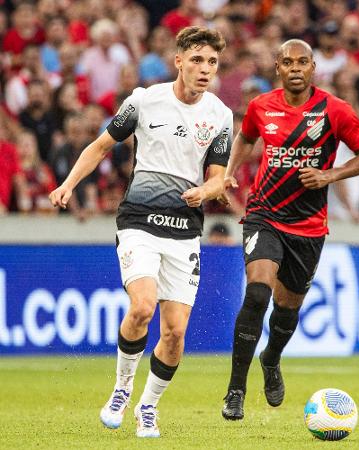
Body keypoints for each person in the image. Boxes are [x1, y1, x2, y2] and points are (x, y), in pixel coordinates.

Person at [49, 26, 231, 438]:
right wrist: (68, 185)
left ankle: (147, 407)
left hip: (185, 231)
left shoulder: (220, 116)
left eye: (213, 62)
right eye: (198, 60)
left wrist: (206, 189)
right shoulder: (145, 101)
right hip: (140, 223)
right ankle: (121, 389)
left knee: (175, 331)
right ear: (179, 61)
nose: (206, 69)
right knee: (143, 307)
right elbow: (99, 146)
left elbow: (220, 178)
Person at [219, 39, 359, 420]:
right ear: (277, 67)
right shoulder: (261, 106)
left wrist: (329, 175)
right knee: (257, 294)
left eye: (302, 62)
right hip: (264, 214)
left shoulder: (334, 111)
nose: (294, 68)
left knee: (286, 310)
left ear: (312, 68)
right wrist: (227, 174)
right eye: (287, 62)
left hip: (308, 226)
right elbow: (245, 137)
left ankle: (271, 358)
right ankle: (235, 392)